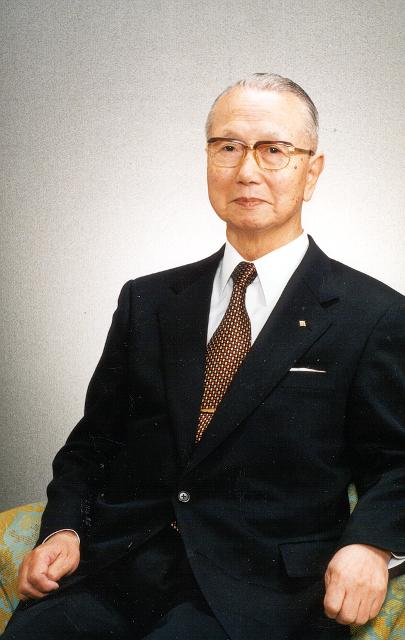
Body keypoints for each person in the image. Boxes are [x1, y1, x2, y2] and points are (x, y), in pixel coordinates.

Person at [3, 73, 405, 640]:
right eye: (228, 147)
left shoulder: (373, 314)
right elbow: (92, 443)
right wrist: (62, 529)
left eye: (274, 150)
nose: (247, 170)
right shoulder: (148, 300)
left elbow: (398, 460)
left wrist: (372, 544)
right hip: (116, 573)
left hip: (260, 594)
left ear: (312, 171)